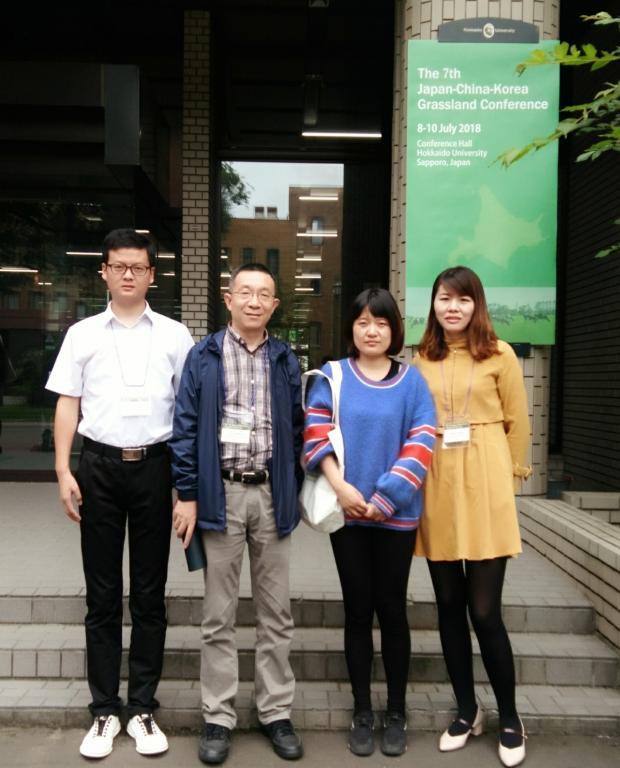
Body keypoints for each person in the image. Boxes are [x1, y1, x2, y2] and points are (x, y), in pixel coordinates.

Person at [46, 228, 194, 759]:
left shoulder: (176, 335)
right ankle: (105, 710)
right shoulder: (82, 334)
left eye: (138, 267)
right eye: (119, 266)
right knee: (103, 595)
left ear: (152, 275)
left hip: (155, 468)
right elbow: (68, 403)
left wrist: (186, 488)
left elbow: (188, 414)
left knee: (150, 594)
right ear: (104, 272)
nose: (128, 274)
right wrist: (63, 470)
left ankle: (144, 708)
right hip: (99, 469)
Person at [170, 263, 304, 765]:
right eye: (245, 292)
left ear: (274, 305)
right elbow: (184, 427)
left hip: (271, 495)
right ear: (228, 299)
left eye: (264, 294)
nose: (254, 301)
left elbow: (298, 428)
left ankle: (275, 712)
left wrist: (293, 488)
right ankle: (218, 716)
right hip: (219, 495)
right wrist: (187, 493)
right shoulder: (203, 355)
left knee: (276, 614)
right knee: (217, 615)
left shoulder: (285, 359)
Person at [303, 288, 436, 757]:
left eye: (380, 323)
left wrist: (386, 497)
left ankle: (396, 711)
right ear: (352, 329)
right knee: (358, 610)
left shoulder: (413, 381)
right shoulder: (333, 376)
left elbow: (422, 439)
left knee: (392, 609)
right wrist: (341, 488)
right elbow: (315, 431)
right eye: (362, 322)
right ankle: (362, 710)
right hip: (349, 515)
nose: (372, 330)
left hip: (396, 517)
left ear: (394, 329)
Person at [414, 266, 531, 768]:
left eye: (462, 299)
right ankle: (467, 710)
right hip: (437, 480)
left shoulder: (500, 354)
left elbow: (518, 422)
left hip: (485, 481)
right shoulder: (422, 358)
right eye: (444, 298)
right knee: (448, 605)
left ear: (476, 304)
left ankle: (511, 716)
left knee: (484, 611)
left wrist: (510, 482)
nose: (453, 307)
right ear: (434, 305)